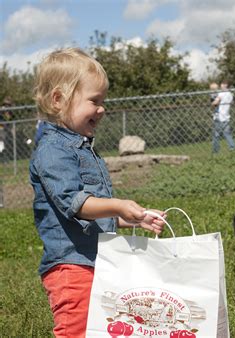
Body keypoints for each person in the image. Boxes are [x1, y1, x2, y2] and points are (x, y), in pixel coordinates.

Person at [29, 47, 167, 337]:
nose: (102, 109)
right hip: (72, 266)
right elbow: (76, 204)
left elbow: (94, 212)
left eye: (103, 101)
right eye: (94, 101)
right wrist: (117, 205)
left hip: (96, 260)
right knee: (77, 330)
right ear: (59, 100)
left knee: (103, 328)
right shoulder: (53, 151)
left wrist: (132, 219)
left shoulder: (83, 148)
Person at [211, 80, 235, 153]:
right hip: (226, 116)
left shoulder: (221, 94)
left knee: (216, 134)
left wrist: (212, 103)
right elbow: (232, 102)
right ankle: (232, 148)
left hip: (219, 117)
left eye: (222, 84)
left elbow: (215, 103)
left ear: (225, 85)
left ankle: (215, 150)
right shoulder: (230, 94)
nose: (221, 86)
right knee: (227, 134)